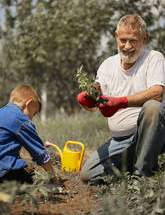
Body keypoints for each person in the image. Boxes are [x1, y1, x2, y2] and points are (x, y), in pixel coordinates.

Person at [77, 14, 165, 183]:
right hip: (122, 141)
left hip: (153, 134)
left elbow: (157, 93)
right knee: (88, 175)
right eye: (123, 40)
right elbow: (96, 95)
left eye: (134, 41)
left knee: (153, 107)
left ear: (144, 38)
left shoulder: (154, 58)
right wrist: (87, 97)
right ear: (116, 36)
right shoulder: (107, 65)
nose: (127, 46)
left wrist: (121, 102)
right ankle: (140, 161)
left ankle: (141, 177)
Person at [0, 85, 57, 184]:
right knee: (33, 180)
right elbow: (40, 153)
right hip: (3, 173)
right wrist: (53, 177)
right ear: (29, 103)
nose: (31, 119)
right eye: (33, 114)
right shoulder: (21, 120)